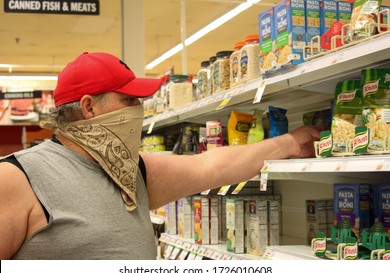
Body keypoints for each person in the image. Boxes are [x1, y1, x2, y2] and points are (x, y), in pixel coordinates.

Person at [0, 52, 320, 260]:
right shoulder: (18, 179)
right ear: (88, 107)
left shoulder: (133, 172)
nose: (139, 111)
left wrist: (288, 143)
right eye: (129, 100)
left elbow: (210, 166)